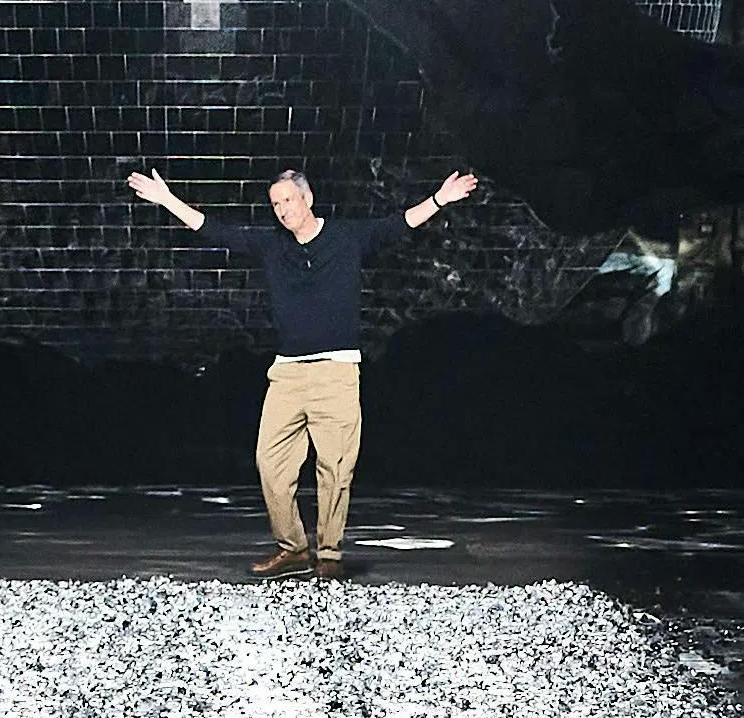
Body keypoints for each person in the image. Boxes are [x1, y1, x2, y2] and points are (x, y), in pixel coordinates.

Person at [124, 165, 479, 579]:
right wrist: (166, 199)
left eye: (288, 200)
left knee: (335, 467)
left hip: (337, 371)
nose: (282, 210)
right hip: (288, 375)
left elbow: (397, 225)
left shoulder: (346, 238)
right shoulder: (271, 246)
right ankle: (292, 548)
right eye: (275, 204)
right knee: (269, 462)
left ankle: (329, 554)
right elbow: (215, 230)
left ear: (307, 199)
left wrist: (439, 198)